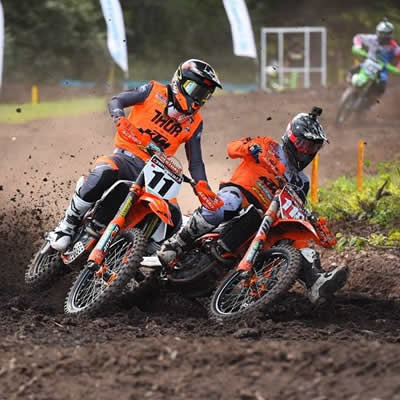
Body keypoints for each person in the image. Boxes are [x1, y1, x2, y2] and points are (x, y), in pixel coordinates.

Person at [158, 107, 349, 304]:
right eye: (304, 145)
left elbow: (295, 208)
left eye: (313, 148)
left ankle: (315, 281)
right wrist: (250, 148)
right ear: (292, 137)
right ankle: (176, 243)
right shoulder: (268, 145)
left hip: (265, 220)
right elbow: (232, 148)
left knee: (295, 240)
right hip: (241, 195)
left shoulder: (302, 181)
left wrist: (311, 221)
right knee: (226, 205)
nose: (307, 151)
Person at [49, 59, 223, 252]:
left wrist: (202, 186)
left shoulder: (195, 122)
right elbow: (117, 101)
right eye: (195, 90)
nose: (199, 99)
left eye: (205, 95)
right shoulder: (154, 90)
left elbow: (196, 161)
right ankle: (67, 224)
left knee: (174, 218)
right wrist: (119, 119)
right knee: (105, 172)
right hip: (126, 157)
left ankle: (131, 258)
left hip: (156, 172)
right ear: (179, 81)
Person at [348, 18, 400, 109]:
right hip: (369, 62)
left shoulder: (394, 46)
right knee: (353, 70)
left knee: (381, 87)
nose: (382, 36)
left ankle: (369, 104)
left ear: (389, 35)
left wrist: (398, 68)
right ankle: (349, 88)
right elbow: (358, 37)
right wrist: (358, 46)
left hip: (382, 69)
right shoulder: (373, 39)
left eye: (384, 34)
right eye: (380, 33)